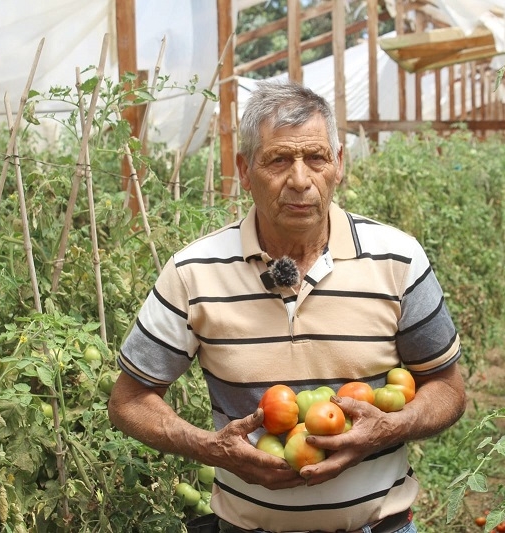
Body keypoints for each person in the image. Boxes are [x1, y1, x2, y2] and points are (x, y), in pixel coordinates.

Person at [108, 80, 466, 533]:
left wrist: (390, 428)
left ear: (339, 164)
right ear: (243, 170)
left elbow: (448, 389)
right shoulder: (193, 272)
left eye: (315, 158)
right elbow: (129, 400)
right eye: (278, 160)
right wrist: (208, 447)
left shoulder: (397, 259)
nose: (300, 180)